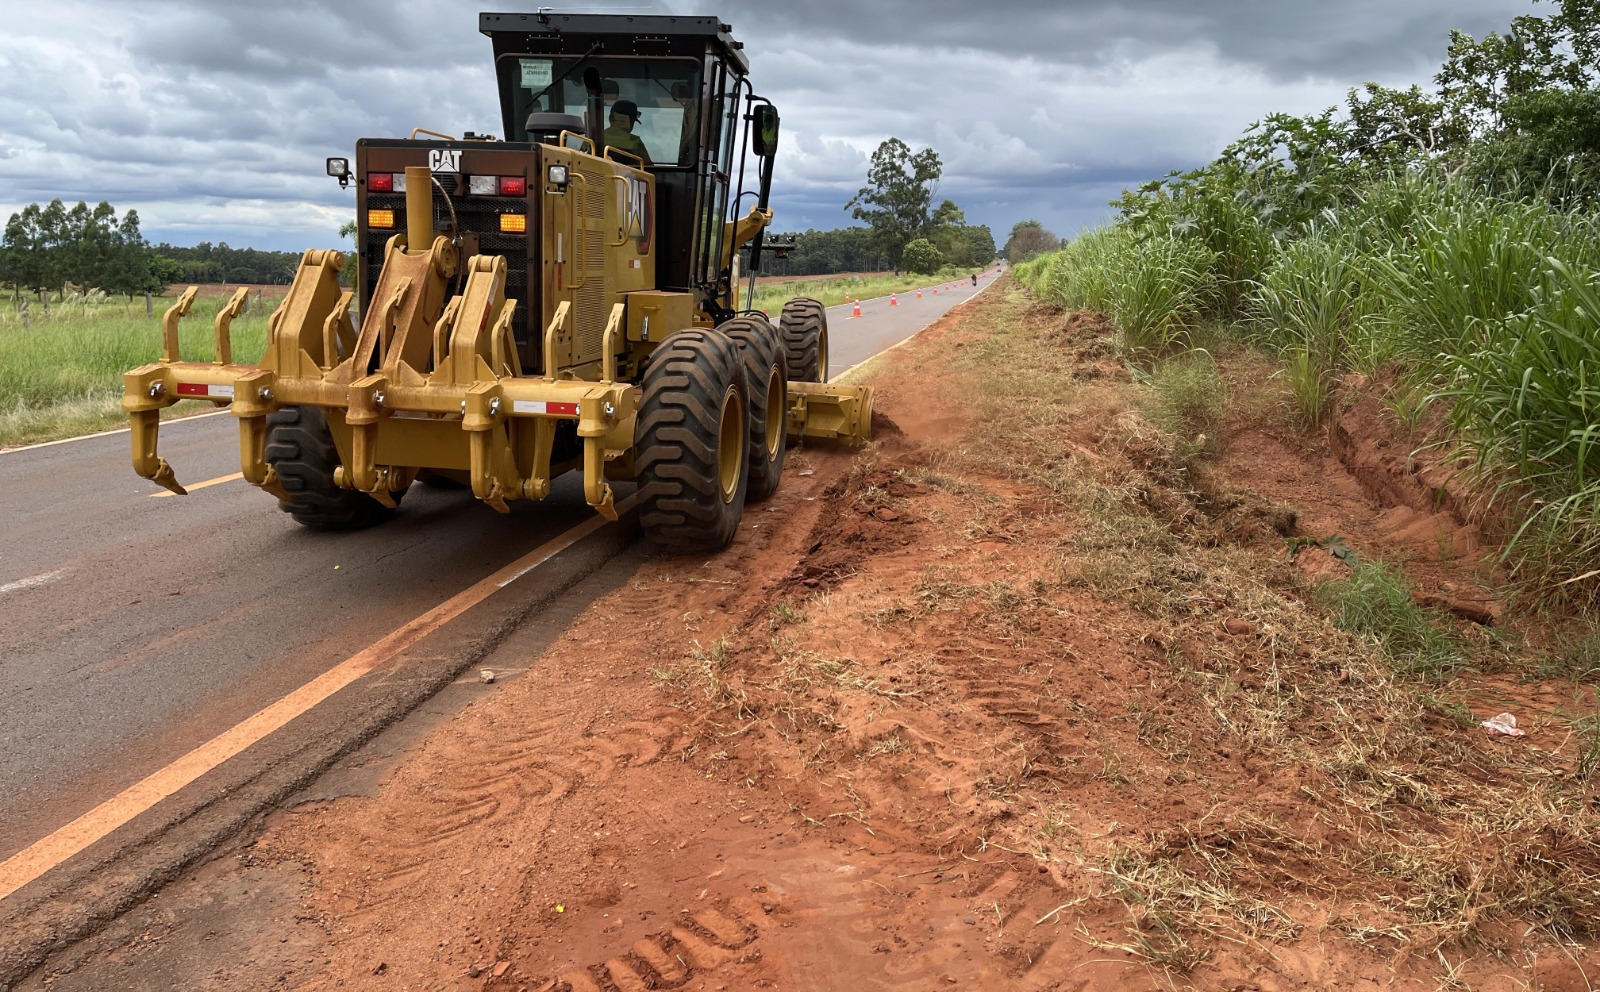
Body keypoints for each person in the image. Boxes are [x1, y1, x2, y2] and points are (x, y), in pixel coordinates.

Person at [603, 99, 653, 167]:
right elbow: (650, 169)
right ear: (630, 121)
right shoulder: (634, 141)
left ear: (610, 119)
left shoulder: (594, 137)